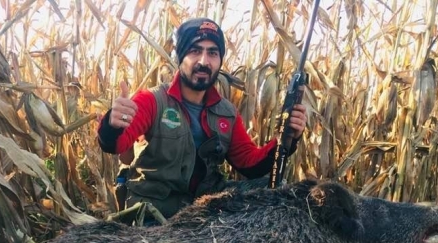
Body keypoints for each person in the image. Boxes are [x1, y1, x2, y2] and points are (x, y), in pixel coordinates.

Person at [97, 17, 307, 218]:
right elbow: (115, 144)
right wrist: (112, 125)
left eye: (212, 53)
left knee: (277, 189)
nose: (204, 61)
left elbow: (249, 164)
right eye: (195, 51)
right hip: (156, 208)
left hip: (205, 208)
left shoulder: (227, 112)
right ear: (181, 57)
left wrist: (287, 139)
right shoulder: (151, 101)